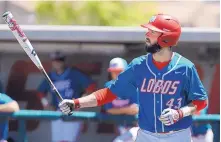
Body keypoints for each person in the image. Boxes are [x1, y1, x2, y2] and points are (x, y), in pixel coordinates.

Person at [58, 14, 208, 142]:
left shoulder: (185, 67)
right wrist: (76, 103)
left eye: (152, 32)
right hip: (146, 135)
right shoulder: (138, 65)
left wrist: (180, 113)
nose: (147, 34)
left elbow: (201, 102)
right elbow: (109, 93)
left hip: (177, 136)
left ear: (166, 38)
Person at [37, 51, 96, 142]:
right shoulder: (50, 76)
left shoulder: (73, 74)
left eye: (60, 60)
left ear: (64, 61)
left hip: (72, 111)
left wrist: (80, 103)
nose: (57, 62)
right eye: (54, 60)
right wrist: (46, 104)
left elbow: (91, 86)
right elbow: (40, 92)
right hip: (57, 112)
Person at [104, 57, 139, 142]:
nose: (116, 74)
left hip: (138, 127)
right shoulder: (108, 86)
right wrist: (127, 109)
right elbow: (108, 110)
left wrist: (117, 110)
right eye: (113, 71)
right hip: (121, 127)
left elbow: (136, 109)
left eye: (119, 71)